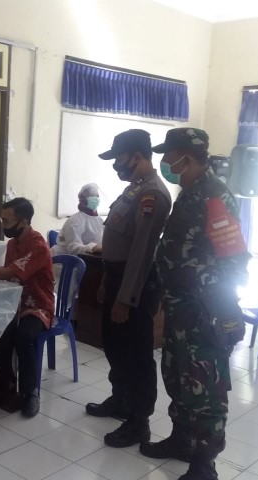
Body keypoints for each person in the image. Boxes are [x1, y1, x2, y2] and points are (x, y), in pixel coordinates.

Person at [139, 128, 250, 480]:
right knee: (178, 376)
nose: (164, 161)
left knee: (205, 385)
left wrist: (204, 292)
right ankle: (182, 440)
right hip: (180, 307)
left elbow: (235, 261)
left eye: (168, 155)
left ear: (185, 157)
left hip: (202, 312)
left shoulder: (214, 196)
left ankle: (204, 463)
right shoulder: (190, 193)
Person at [85, 129, 171, 449]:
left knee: (137, 354)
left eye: (118, 158)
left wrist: (125, 298)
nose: (115, 165)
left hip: (135, 283)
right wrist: (106, 281)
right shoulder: (134, 188)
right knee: (115, 346)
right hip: (117, 277)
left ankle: (138, 421)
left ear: (136, 156)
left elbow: (141, 252)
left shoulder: (152, 194)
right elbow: (116, 240)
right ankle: (120, 400)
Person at [0, 197, 54, 418]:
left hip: (38, 306)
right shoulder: (12, 243)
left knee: (23, 336)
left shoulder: (39, 246)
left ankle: (30, 392)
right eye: (2, 220)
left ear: (24, 222)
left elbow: (10, 272)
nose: (3, 225)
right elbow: (8, 277)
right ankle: (3, 382)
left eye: (7, 221)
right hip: (14, 302)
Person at [50, 183, 103, 256]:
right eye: (91, 195)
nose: (95, 198)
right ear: (83, 199)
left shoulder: (100, 220)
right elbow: (73, 248)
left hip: (90, 258)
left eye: (97, 196)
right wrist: (91, 247)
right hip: (64, 259)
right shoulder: (75, 221)